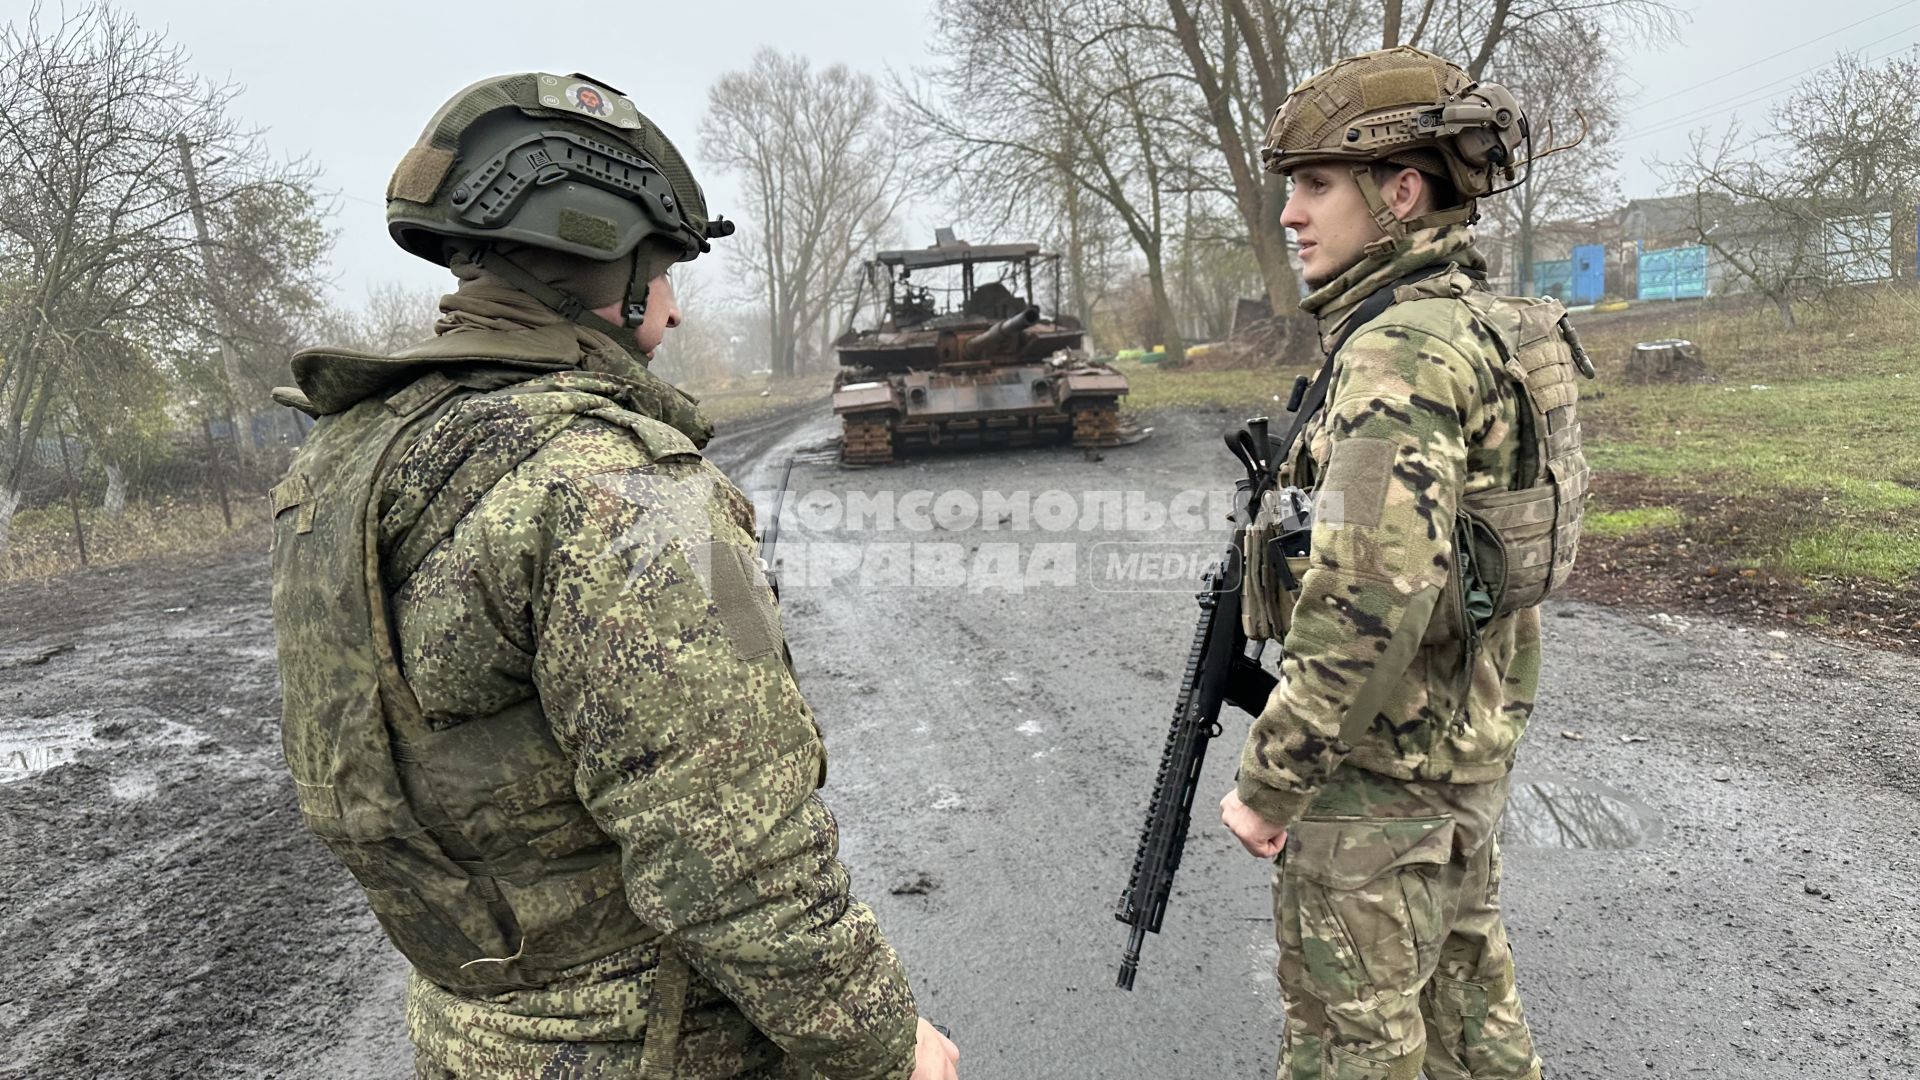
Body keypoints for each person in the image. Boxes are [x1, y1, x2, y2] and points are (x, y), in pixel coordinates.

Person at [266, 72, 959, 1080]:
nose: (674, 313)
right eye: (664, 269)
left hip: (468, 1031)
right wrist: (885, 1043)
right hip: (660, 1045)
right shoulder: (613, 483)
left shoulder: (342, 459)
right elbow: (731, 847)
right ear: (602, 257)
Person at [1219, 46, 1591, 1079]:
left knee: (1355, 1049)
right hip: (1460, 761)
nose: (1291, 214)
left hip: (1379, 782)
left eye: (1315, 184)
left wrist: (1271, 779)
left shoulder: (1399, 353)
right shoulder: (1478, 327)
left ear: (1402, 191)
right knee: (1471, 1034)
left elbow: (1368, 593)